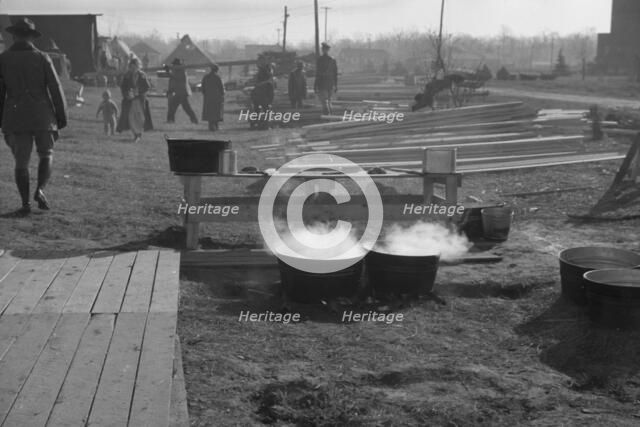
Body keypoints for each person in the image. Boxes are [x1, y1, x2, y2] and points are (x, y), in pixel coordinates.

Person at [0, 17, 67, 215]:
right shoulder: (43, 58)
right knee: (46, 153)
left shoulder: (3, 59)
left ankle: (25, 203)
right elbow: (55, 87)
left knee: (21, 161)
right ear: (31, 36)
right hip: (42, 115)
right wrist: (61, 116)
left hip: (15, 115)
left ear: (13, 35)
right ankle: (40, 189)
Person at [117, 58, 153, 142]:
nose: (133, 69)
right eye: (131, 67)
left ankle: (138, 134)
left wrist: (140, 91)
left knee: (140, 118)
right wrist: (126, 94)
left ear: (138, 66)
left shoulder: (142, 75)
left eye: (135, 67)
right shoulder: (127, 75)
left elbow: (147, 86)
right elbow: (123, 87)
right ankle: (136, 134)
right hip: (130, 101)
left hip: (139, 100)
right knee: (131, 118)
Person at [167, 58, 198, 124]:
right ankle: (170, 120)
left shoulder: (181, 71)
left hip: (182, 92)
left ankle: (194, 119)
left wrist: (169, 72)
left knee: (186, 108)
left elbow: (176, 78)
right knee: (173, 107)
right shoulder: (178, 70)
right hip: (179, 92)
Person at [314, 42, 338, 115]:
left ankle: (327, 117)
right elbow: (335, 74)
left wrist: (315, 85)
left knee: (324, 102)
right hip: (330, 84)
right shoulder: (333, 60)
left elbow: (317, 74)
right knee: (329, 101)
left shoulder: (320, 60)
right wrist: (336, 85)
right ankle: (330, 116)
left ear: (323, 50)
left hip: (322, 83)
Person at [250, 64, 275, 129]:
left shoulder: (259, 79)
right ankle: (265, 125)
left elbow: (255, 89)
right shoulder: (268, 82)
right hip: (264, 99)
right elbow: (271, 93)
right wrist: (270, 101)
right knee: (266, 111)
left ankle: (255, 124)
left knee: (257, 111)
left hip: (257, 98)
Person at [201, 64, 224, 131]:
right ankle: (216, 126)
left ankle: (210, 126)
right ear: (216, 70)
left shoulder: (205, 77)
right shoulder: (217, 77)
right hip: (217, 97)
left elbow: (203, 88)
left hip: (208, 97)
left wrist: (206, 94)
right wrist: (222, 94)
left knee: (209, 112)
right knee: (216, 112)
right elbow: (221, 88)